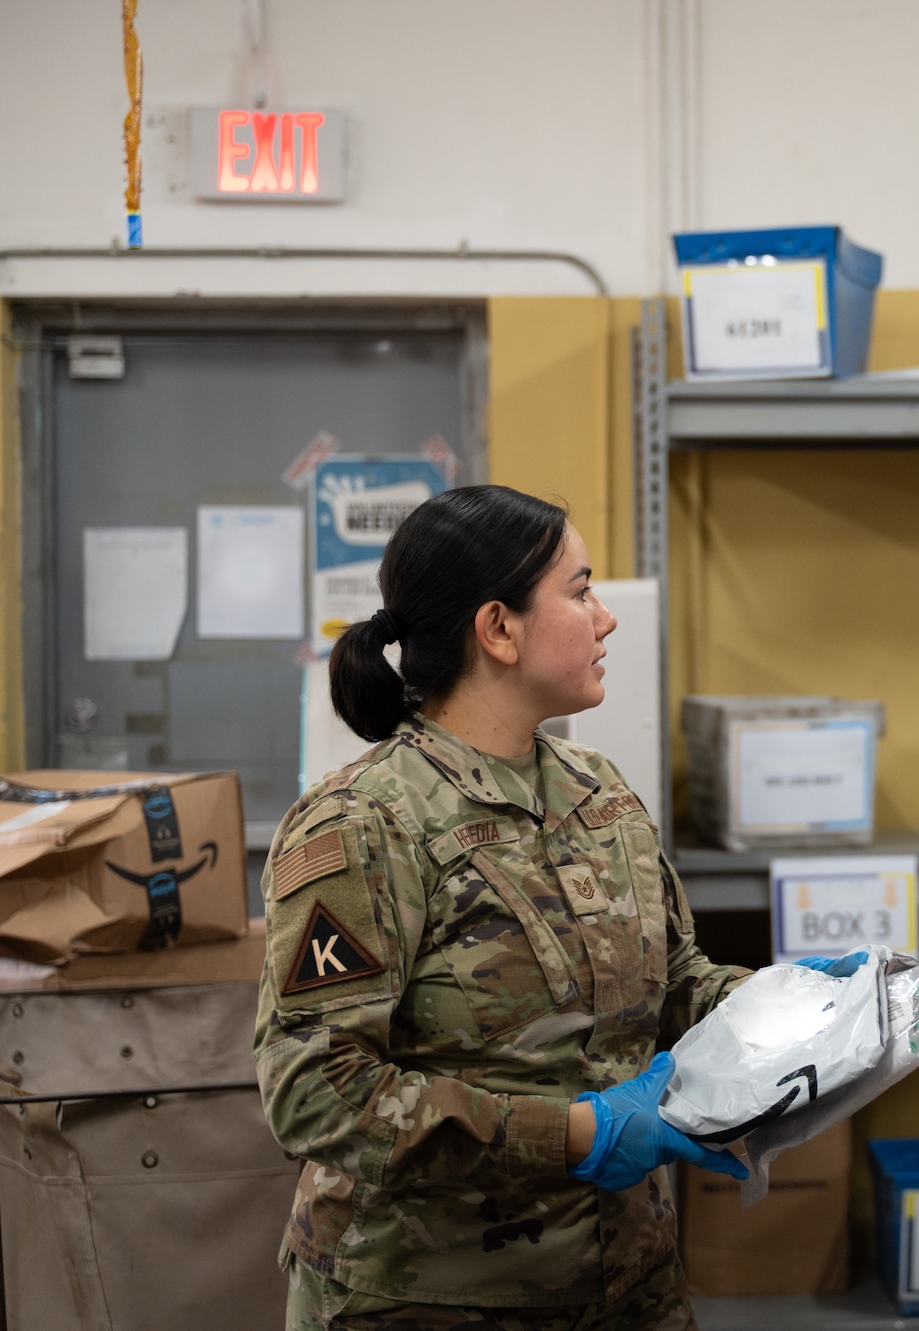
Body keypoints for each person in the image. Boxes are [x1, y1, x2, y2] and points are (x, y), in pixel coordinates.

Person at [253, 485, 855, 1330]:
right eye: (580, 590)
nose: (606, 618)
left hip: (628, 1286)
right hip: (431, 1299)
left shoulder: (597, 792)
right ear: (498, 629)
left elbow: (675, 984)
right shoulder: (366, 823)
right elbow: (317, 1091)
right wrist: (577, 1131)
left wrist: (794, 1006)